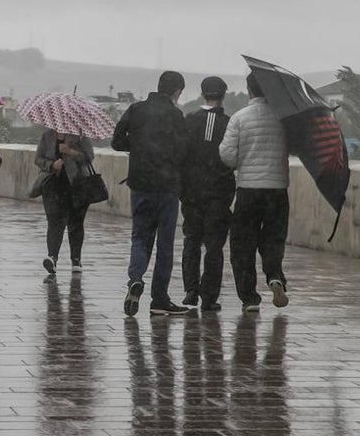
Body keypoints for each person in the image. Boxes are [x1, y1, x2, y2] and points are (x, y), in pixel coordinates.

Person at [111, 70, 190, 317]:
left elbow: (116, 142)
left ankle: (135, 279)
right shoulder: (176, 115)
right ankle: (159, 299)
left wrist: (137, 147)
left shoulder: (136, 110)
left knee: (140, 236)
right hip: (167, 187)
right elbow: (184, 151)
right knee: (165, 244)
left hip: (141, 184)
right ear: (176, 91)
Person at [219, 72, 291, 312]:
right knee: (273, 238)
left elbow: (227, 156)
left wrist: (244, 160)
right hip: (277, 189)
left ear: (249, 90)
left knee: (242, 243)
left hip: (248, 190)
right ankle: (274, 276)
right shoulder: (283, 118)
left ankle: (249, 297)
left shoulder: (239, 118)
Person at [179, 76, 236, 312]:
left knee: (191, 240)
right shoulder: (229, 123)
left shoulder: (189, 120)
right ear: (223, 96)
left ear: (203, 94)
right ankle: (209, 296)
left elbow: (181, 154)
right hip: (219, 193)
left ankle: (190, 291)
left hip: (191, 192)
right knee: (214, 245)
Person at [30, 129, 95, 274]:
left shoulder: (80, 135)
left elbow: (89, 157)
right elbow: (38, 159)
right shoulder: (47, 135)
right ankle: (52, 257)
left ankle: (76, 259)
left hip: (77, 185)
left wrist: (70, 152)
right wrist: (52, 165)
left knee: (76, 223)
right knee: (54, 222)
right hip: (52, 186)